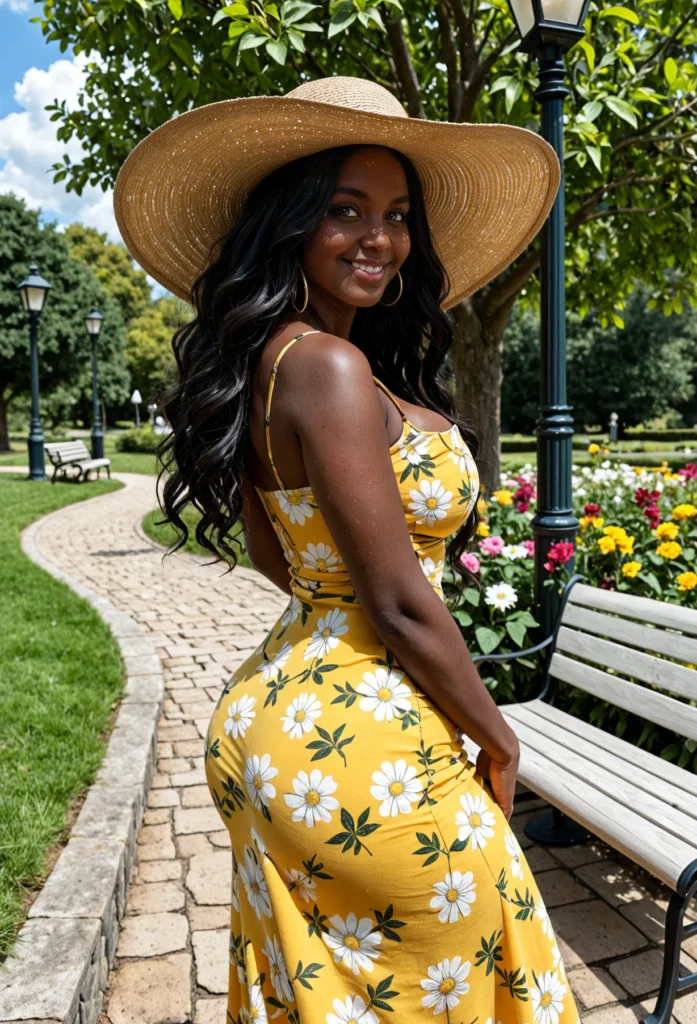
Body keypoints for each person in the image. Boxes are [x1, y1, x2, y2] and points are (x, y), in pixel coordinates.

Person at [114, 77, 577, 1024]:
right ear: (290, 224)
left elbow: (285, 563)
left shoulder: (268, 361)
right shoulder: (326, 365)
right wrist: (496, 735)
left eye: (397, 214)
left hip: (285, 712)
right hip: (363, 741)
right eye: (345, 209)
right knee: (455, 966)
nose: (380, 237)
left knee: (332, 993)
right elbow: (402, 601)